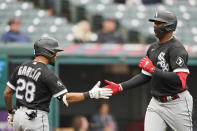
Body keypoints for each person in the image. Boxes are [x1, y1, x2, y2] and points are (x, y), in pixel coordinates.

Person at [103, 10, 193, 131]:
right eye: (154, 22)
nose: (155, 25)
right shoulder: (152, 48)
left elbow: (180, 80)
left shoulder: (176, 48)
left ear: (169, 26)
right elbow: (145, 76)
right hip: (156, 103)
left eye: (159, 23)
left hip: (177, 102)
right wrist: (120, 86)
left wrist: (152, 69)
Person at [3, 37, 113, 131]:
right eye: (55, 51)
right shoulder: (47, 73)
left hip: (18, 116)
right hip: (35, 118)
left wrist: (11, 112)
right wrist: (90, 94)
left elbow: (7, 93)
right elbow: (66, 98)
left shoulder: (20, 67)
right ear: (47, 52)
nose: (57, 55)